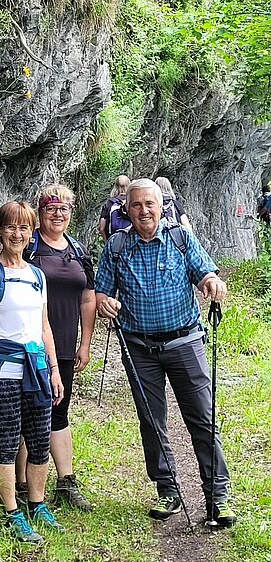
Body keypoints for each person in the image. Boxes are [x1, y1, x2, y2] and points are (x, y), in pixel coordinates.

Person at [95, 177, 237, 527]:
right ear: (126, 209)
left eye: (150, 204)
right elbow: (100, 293)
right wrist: (105, 303)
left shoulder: (180, 237)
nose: (144, 210)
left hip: (185, 342)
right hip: (139, 347)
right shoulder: (116, 246)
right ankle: (168, 489)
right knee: (151, 420)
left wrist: (211, 284)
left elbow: (206, 274)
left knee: (202, 418)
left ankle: (217, 496)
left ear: (162, 207)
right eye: (137, 204)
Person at [0, 200, 64, 544]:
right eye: (11, 227)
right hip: (2, 370)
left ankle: (37, 503)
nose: (17, 234)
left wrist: (54, 370)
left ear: (31, 232)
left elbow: (44, 327)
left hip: (35, 369)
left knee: (38, 441)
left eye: (23, 228)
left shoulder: (37, 275)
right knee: (6, 442)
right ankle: (12, 513)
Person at [17, 183, 96, 511]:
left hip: (64, 346)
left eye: (63, 208)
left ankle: (66, 483)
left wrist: (85, 342)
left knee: (58, 412)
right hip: (30, 345)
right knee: (28, 413)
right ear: (40, 213)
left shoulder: (77, 250)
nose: (57, 214)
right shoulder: (29, 249)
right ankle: (21, 485)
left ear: (70, 212)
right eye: (51, 208)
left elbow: (88, 297)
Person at [98, 175, 130, 241]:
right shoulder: (131, 202)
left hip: (114, 241)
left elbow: (101, 228)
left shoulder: (110, 203)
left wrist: (107, 242)